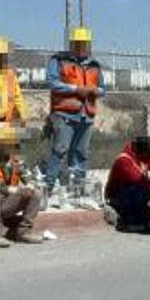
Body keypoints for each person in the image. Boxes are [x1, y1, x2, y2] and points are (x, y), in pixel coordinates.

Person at [43, 26, 104, 199]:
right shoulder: (59, 60)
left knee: (81, 152)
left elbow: (102, 89)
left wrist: (93, 91)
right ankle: (48, 186)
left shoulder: (94, 65)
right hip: (65, 113)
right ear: (72, 44)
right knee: (60, 149)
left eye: (84, 44)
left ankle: (77, 187)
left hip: (86, 114)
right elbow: (52, 82)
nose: (82, 47)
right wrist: (77, 89)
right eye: (78, 44)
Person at [105, 136, 150, 233]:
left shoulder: (141, 156)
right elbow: (138, 181)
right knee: (137, 189)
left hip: (135, 191)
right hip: (119, 197)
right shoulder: (124, 161)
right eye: (148, 152)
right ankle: (131, 221)